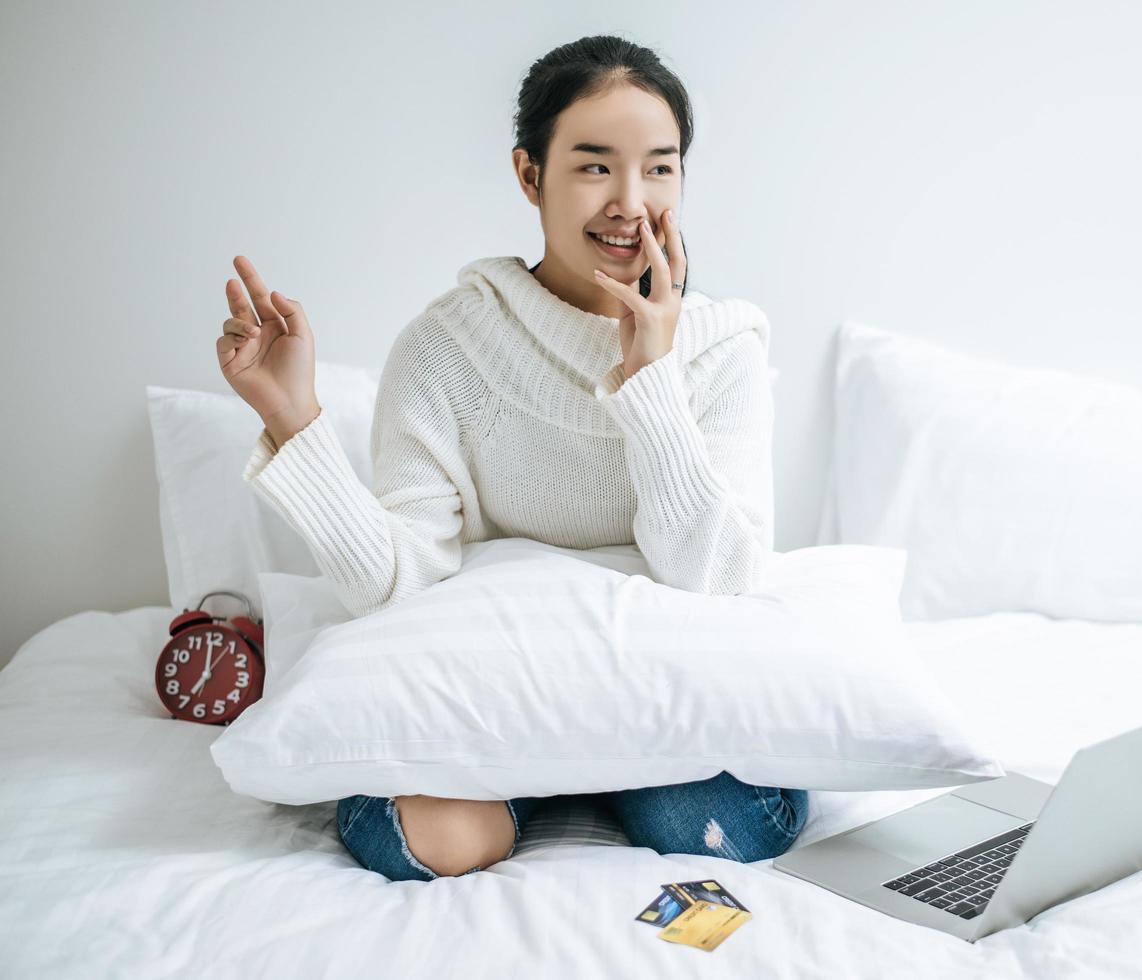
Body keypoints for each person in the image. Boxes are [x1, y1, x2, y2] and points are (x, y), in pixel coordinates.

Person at [214, 34, 807, 881]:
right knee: (428, 844)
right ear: (529, 175)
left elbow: (719, 576)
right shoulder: (448, 345)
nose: (630, 204)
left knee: (716, 826)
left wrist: (651, 379)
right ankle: (556, 776)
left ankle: (591, 777)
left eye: (660, 168)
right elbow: (399, 580)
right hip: (494, 697)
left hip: (666, 694)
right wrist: (292, 417)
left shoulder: (722, 350)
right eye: (595, 166)